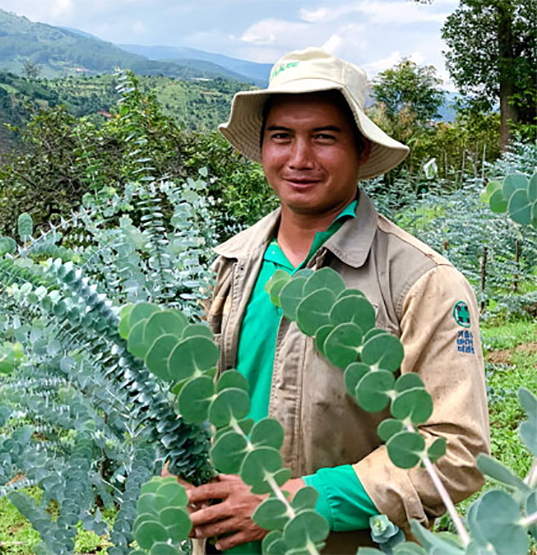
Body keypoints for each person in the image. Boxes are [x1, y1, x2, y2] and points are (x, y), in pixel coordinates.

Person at [189, 48, 490, 554]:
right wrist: (182, 469)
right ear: (262, 148)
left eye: (324, 137)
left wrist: (297, 503)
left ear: (362, 151)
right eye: (281, 136)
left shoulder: (421, 282)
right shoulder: (233, 266)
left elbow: (455, 452)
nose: (299, 158)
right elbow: (203, 407)